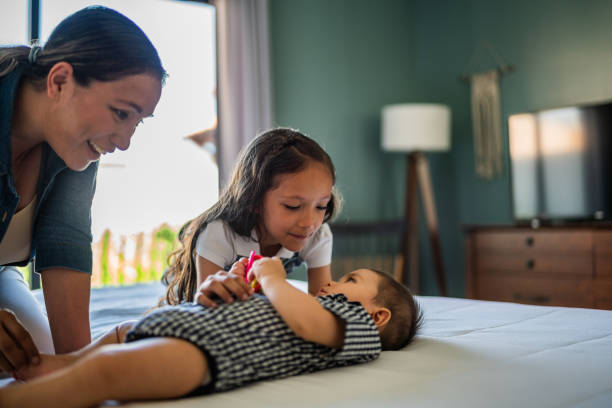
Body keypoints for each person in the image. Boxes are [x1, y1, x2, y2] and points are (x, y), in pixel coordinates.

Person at [0, 257, 423, 407]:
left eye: (350, 281)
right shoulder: (314, 303)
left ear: (378, 316)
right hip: (188, 323)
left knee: (109, 371)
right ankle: (54, 366)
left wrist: (274, 278)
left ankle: (21, 399)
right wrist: (243, 282)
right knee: (120, 332)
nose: (333, 284)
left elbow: (303, 323)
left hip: (205, 357)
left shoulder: (356, 328)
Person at [0, 5, 166, 373]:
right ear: (59, 82)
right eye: (122, 113)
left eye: (138, 123)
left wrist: (77, 370)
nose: (124, 142)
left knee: (33, 359)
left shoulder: (74, 148)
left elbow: (66, 244)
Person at [162, 128, 341, 308]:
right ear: (254, 199)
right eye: (292, 206)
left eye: (321, 206)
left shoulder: (318, 235)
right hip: (191, 297)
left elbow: (323, 306)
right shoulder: (219, 233)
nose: (310, 222)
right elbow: (207, 309)